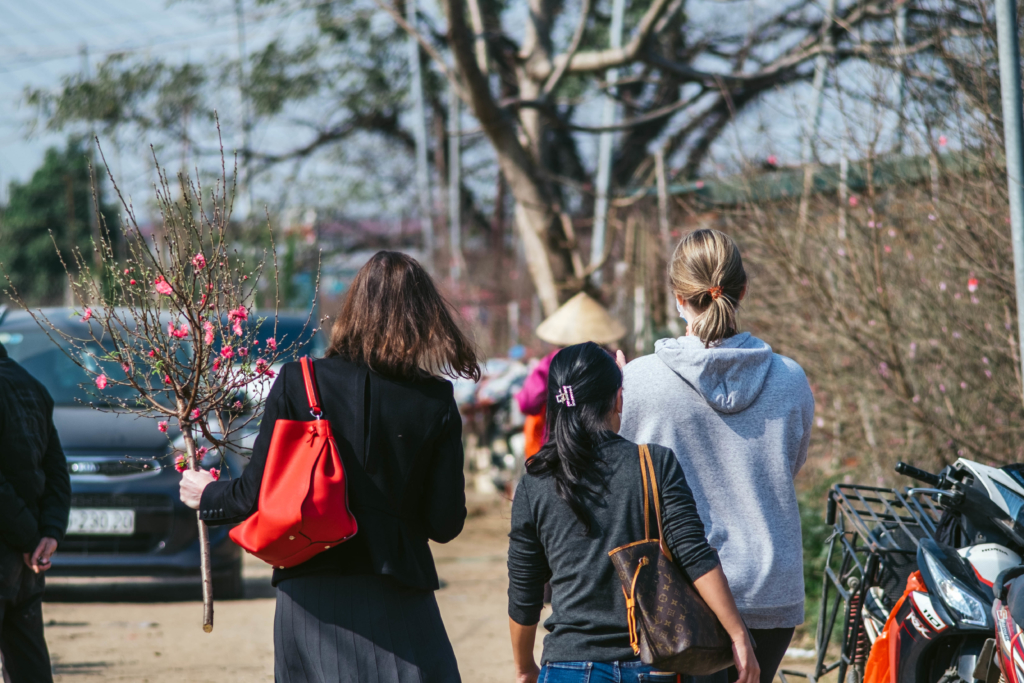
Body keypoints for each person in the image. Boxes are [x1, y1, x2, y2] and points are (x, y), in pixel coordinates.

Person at [179, 251, 480, 683]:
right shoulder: (435, 400)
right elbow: (445, 523)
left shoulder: (299, 380)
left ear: (352, 308)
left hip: (311, 586)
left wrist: (204, 493)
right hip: (399, 592)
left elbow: (254, 495)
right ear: (424, 316)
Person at [619, 229, 815, 683]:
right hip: (771, 590)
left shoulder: (637, 382)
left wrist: (614, 397)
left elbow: (621, 477)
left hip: (674, 594)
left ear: (677, 297)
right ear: (742, 290)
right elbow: (791, 463)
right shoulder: (790, 379)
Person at [508, 342, 758, 683]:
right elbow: (695, 556)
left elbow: (525, 593)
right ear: (617, 399)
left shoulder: (534, 482)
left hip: (566, 665)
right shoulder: (654, 463)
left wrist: (524, 667)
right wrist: (738, 634)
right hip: (651, 665)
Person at [0, 339, 71, 683]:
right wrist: (48, 533)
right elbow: (57, 471)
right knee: (29, 668)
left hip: (13, 548)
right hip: (25, 566)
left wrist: (32, 536)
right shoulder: (32, 385)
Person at [515, 292, 626, 459]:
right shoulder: (615, 360)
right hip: (611, 445)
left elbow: (527, 403)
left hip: (560, 448)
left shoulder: (552, 363)